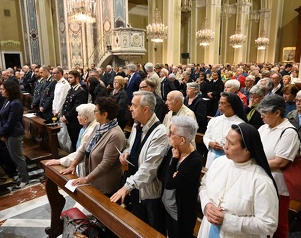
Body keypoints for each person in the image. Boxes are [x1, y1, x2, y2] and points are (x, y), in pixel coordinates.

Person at [198, 123, 279, 237]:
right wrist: (206, 205)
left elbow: (268, 225)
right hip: (208, 228)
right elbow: (204, 186)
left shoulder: (261, 181)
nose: (225, 146)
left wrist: (227, 220)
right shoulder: (219, 163)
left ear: (247, 149)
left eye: (230, 143)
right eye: (226, 141)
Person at [110, 91, 169, 234]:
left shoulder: (160, 132)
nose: (130, 108)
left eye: (134, 105)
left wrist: (126, 187)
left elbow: (149, 167)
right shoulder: (138, 125)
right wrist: (126, 153)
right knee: (137, 226)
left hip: (149, 191)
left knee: (152, 230)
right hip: (135, 186)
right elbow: (131, 145)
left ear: (146, 109)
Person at [60, 97, 126, 196]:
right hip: (93, 179)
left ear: (105, 114)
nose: (93, 113)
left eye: (95, 111)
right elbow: (84, 148)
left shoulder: (115, 134)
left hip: (105, 184)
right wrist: (73, 165)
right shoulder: (98, 126)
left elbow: (106, 163)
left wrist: (87, 178)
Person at [257, 95, 300, 238]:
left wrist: (254, 163)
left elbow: (280, 162)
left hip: (277, 186)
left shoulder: (288, 132)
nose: (261, 116)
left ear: (277, 113)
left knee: (278, 223)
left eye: (265, 112)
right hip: (260, 180)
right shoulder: (263, 128)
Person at [161, 116, 203, 238]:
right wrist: (172, 175)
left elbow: (169, 184)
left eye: (171, 133)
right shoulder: (173, 149)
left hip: (180, 213)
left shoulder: (195, 161)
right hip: (166, 204)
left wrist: (174, 161)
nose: (168, 135)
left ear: (182, 140)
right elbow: (162, 175)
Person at [45, 104, 98, 177]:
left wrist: (59, 161)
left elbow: (80, 152)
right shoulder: (87, 127)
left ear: (86, 119)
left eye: (79, 115)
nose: (77, 117)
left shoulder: (90, 132)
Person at [0, 80, 29, 188]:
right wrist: (1, 131)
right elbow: (2, 118)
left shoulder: (15, 103)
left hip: (14, 133)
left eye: (2, 89)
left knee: (18, 157)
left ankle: (24, 179)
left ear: (9, 90)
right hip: (8, 133)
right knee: (13, 156)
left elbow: (11, 121)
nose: (0, 91)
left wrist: (1, 132)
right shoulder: (7, 101)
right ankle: (20, 176)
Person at [203, 92, 247, 168]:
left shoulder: (240, 124)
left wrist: (224, 147)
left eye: (223, 103)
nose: (219, 105)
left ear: (231, 105)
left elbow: (240, 145)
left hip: (228, 159)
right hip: (212, 155)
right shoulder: (214, 120)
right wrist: (210, 143)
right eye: (219, 103)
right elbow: (206, 136)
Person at [61, 70, 88, 152]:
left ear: (77, 78)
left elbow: (77, 108)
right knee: (72, 141)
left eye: (70, 77)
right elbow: (66, 104)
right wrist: (63, 115)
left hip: (75, 122)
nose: (68, 79)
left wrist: (66, 117)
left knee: (77, 142)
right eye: (68, 77)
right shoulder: (71, 89)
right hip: (69, 121)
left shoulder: (81, 91)